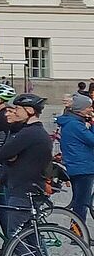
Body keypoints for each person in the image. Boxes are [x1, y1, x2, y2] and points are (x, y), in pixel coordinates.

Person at [0, 93, 53, 256]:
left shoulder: (29, 133)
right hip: (30, 188)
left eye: (17, 109)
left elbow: (2, 154)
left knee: (16, 236)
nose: (13, 112)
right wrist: (0, 178)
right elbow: (18, 162)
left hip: (22, 190)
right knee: (30, 237)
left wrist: (10, 155)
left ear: (29, 111)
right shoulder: (38, 133)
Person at [55, 93, 94, 224]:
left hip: (76, 165)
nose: (91, 109)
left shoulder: (72, 122)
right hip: (83, 167)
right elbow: (92, 140)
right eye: (89, 107)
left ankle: (76, 232)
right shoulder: (76, 125)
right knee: (82, 203)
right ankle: (77, 234)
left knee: (79, 201)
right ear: (80, 109)